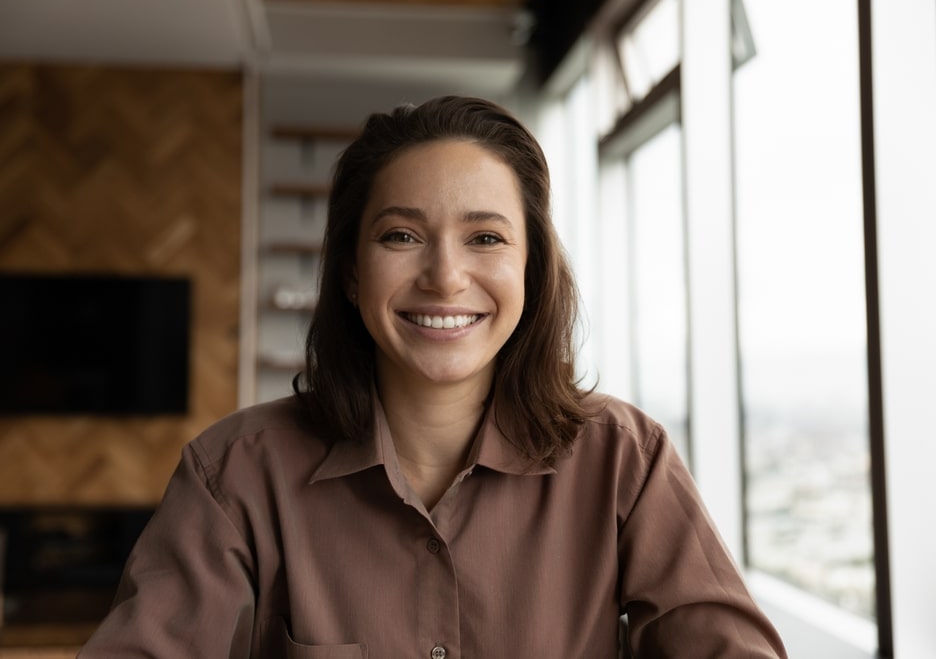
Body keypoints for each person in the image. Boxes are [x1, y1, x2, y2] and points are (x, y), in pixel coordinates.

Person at [79, 96, 787, 658]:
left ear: (531, 270)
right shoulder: (232, 475)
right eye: (402, 235)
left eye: (486, 238)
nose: (445, 277)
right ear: (352, 274)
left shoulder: (625, 460)